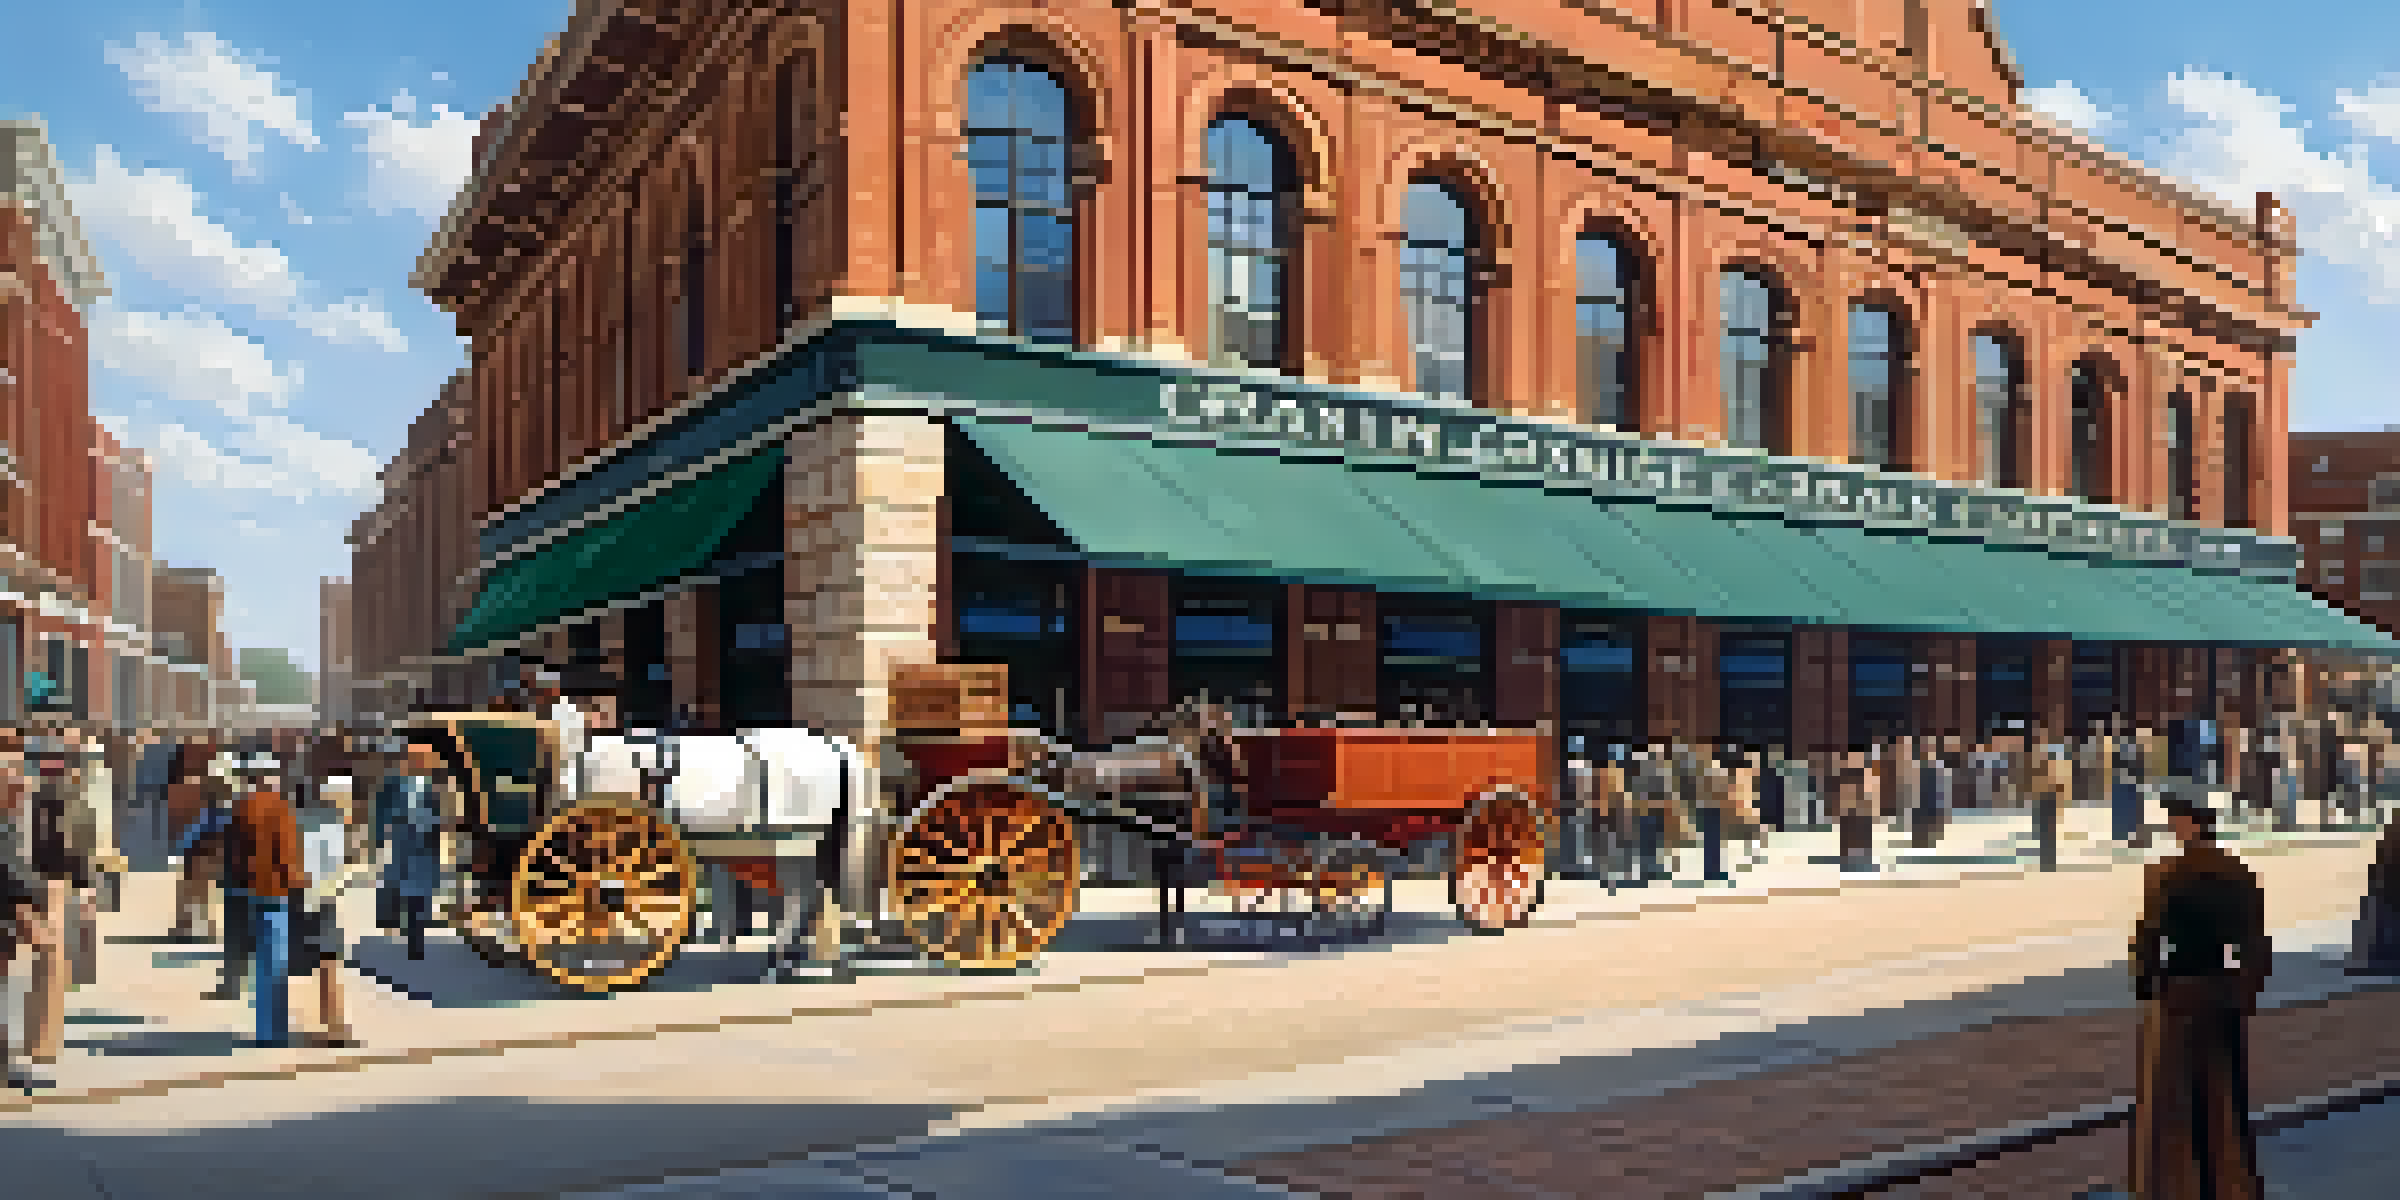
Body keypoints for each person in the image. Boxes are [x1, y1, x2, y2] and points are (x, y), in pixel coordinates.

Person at [2129, 791, 2269, 1200]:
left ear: (2192, 823)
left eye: (2177, 819)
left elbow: (2149, 938)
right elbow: (2255, 941)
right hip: (2221, 989)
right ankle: (2231, 1183)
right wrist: (2245, 993)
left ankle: (2179, 1186)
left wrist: (2149, 986)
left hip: (2180, 991)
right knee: (2225, 1097)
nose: (2173, 827)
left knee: (2174, 1100)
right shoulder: (2237, 871)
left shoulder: (2167, 872)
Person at [222, 744, 310, 1048]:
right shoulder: (279, 808)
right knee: (276, 965)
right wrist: (299, 883)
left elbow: (231, 855)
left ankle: (264, 1029)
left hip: (247, 891)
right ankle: (275, 1032)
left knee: (261, 964)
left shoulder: (239, 807)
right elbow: (286, 856)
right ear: (268, 776)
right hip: (276, 891)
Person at [374, 735, 451, 961]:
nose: (420, 762)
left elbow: (440, 816)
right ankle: (409, 933)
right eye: (416, 758)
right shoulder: (393, 783)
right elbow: (381, 811)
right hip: (403, 846)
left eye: (424, 759)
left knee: (421, 896)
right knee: (404, 893)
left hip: (426, 849)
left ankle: (416, 940)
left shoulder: (433, 786)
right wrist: (381, 837)